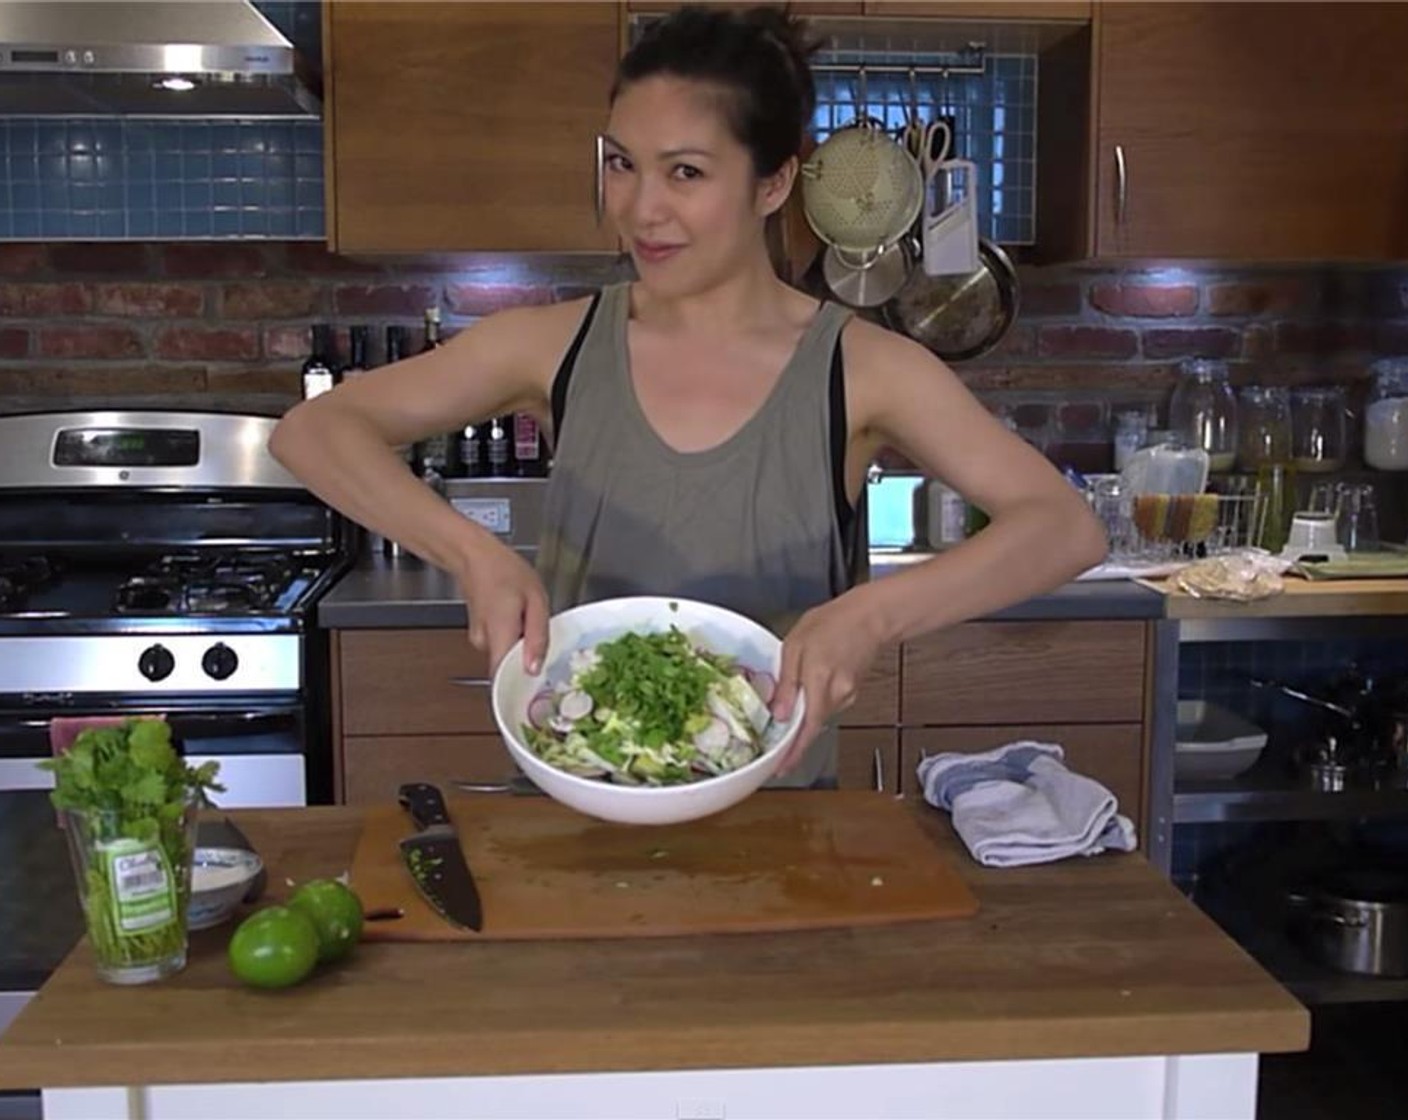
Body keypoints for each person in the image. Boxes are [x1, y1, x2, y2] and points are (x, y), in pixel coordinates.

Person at [269, 5, 1107, 787]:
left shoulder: (863, 368)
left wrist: (872, 615)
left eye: (687, 173)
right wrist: (473, 556)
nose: (641, 210)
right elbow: (315, 432)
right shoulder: (550, 344)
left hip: (783, 824)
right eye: (623, 164)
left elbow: (1062, 526)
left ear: (773, 184)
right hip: (581, 800)